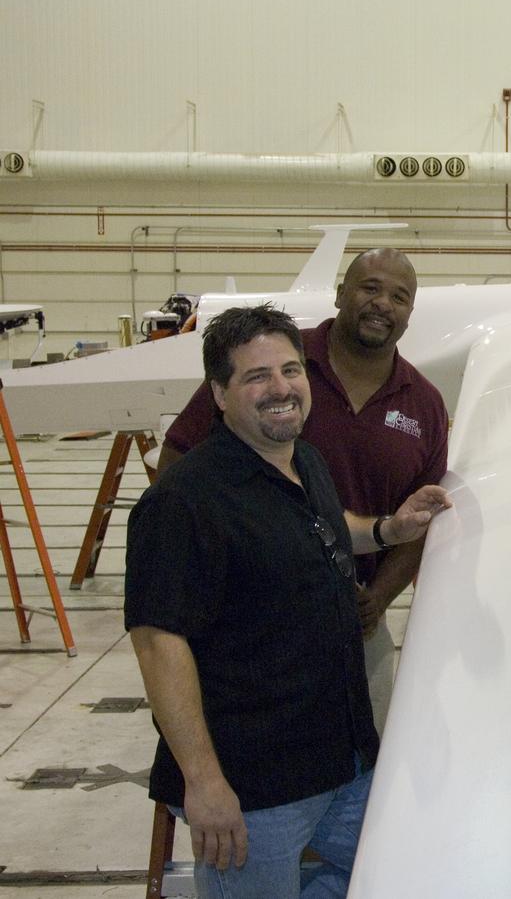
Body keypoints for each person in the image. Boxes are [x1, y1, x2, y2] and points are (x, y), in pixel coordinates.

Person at [126, 305, 451, 897]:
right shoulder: (185, 503)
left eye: (291, 370)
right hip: (254, 787)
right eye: (257, 377)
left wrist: (387, 530)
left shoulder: (302, 459)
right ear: (219, 395)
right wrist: (204, 783)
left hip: (342, 760)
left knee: (391, 875)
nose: (282, 389)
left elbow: (320, 525)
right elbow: (157, 642)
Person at [158, 247, 448, 733]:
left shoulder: (424, 405)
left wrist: (376, 600)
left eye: (399, 296)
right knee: (254, 774)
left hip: (355, 624)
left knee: (362, 768)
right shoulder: (277, 368)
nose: (382, 304)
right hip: (247, 622)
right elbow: (179, 459)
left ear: (410, 313)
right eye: (370, 287)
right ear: (340, 294)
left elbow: (415, 527)